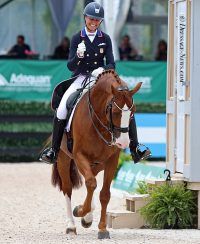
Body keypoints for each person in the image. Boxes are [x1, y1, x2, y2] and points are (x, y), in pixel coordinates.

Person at [40, 2, 151, 164]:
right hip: (81, 77)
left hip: (100, 78)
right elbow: (70, 66)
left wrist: (102, 70)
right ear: (85, 18)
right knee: (63, 107)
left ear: (100, 22)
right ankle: (54, 150)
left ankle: (135, 147)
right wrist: (78, 56)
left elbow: (112, 63)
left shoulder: (105, 38)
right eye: (91, 19)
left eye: (97, 20)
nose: (94, 22)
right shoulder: (77, 38)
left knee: (125, 103)